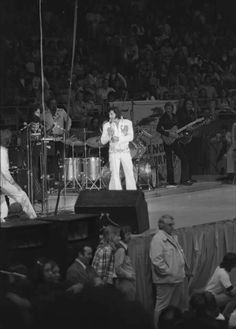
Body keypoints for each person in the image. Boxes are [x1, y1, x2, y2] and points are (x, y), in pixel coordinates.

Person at [149, 215, 189, 325]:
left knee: (173, 306)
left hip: (176, 278)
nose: (173, 227)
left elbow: (179, 255)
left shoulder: (171, 237)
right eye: (170, 225)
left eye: (173, 224)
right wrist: (169, 272)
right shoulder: (157, 239)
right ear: (161, 225)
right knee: (161, 306)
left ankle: (172, 325)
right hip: (166, 280)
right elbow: (156, 260)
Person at [0, 128, 37, 222]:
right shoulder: (2, 151)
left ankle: (2, 222)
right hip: (2, 182)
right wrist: (13, 183)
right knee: (22, 196)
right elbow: (4, 171)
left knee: (3, 200)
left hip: (2, 182)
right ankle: (34, 218)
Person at [100, 107, 137, 190]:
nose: (110, 116)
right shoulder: (107, 125)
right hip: (114, 152)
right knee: (115, 173)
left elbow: (131, 137)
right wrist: (109, 136)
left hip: (125, 151)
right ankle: (116, 193)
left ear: (117, 114)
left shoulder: (127, 123)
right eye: (109, 114)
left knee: (129, 172)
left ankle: (132, 192)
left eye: (111, 114)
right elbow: (102, 141)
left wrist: (119, 139)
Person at [156, 102, 192, 186]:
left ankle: (185, 179)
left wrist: (182, 132)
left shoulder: (175, 116)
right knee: (169, 161)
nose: (169, 109)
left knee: (184, 158)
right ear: (165, 109)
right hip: (167, 141)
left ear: (172, 108)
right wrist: (168, 134)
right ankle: (170, 181)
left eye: (170, 108)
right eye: (167, 108)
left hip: (175, 140)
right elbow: (158, 129)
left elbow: (178, 127)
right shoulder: (163, 118)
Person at [205, 253, 236, 317]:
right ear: (232, 263)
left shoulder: (220, 267)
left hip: (208, 294)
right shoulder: (223, 274)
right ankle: (225, 316)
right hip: (210, 298)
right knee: (235, 297)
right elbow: (232, 293)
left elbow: (228, 289)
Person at [114, 225, 136, 300]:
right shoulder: (121, 249)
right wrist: (130, 276)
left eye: (130, 233)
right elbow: (117, 268)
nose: (130, 236)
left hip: (128, 281)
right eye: (128, 234)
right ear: (123, 235)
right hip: (125, 283)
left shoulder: (124, 247)